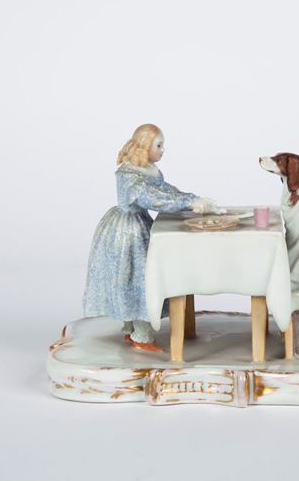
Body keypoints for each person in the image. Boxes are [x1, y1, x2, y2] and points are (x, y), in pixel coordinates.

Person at [83, 124, 217, 351]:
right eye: (159, 145)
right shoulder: (129, 175)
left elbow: (164, 190)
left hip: (139, 224)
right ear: (145, 146)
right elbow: (151, 197)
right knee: (141, 279)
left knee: (132, 278)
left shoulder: (148, 170)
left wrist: (191, 198)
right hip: (128, 231)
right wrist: (189, 202)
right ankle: (140, 335)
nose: (163, 150)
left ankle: (132, 329)